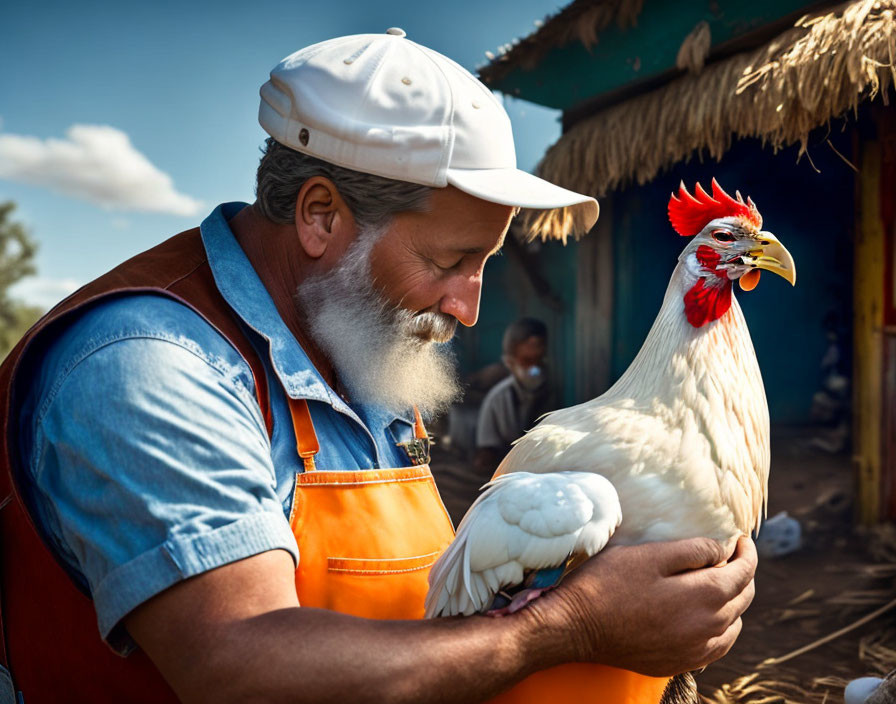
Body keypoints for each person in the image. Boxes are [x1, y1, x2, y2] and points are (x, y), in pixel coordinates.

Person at [0, 29, 757, 704]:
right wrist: (575, 626)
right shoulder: (152, 368)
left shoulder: (364, 354)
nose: (467, 308)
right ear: (320, 215)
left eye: (484, 263)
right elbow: (237, 667)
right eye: (449, 260)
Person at [475, 318, 556, 475]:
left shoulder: (553, 392)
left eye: (539, 360)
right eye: (527, 361)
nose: (534, 369)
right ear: (510, 362)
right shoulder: (497, 399)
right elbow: (486, 455)